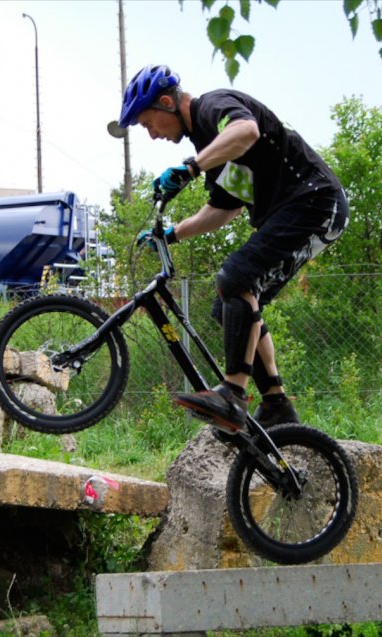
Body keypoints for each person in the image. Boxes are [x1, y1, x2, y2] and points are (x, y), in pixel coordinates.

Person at [108, 64, 349, 435]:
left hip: (314, 201)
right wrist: (171, 234)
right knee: (229, 306)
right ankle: (277, 405)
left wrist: (190, 169)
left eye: (148, 124)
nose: (153, 135)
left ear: (167, 102)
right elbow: (226, 207)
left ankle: (233, 394)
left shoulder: (213, 107)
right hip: (297, 210)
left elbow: (246, 130)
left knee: (237, 276)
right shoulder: (208, 144)